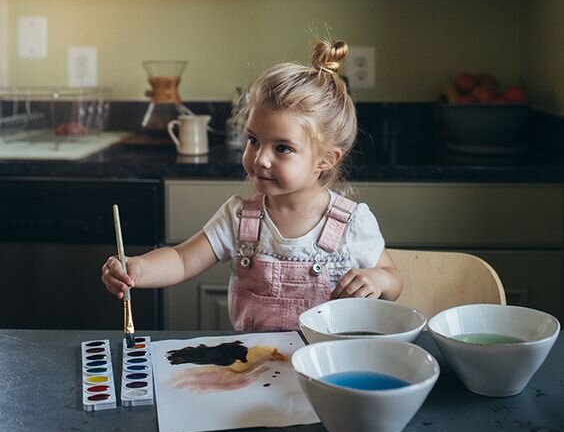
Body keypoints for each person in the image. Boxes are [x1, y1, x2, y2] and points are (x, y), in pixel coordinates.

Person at [101, 39, 402, 332]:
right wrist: (138, 268)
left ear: (325, 159)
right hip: (255, 366)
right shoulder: (239, 217)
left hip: (327, 367)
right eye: (254, 140)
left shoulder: (352, 222)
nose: (260, 159)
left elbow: (393, 280)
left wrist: (378, 280)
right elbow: (181, 260)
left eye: (282, 148)